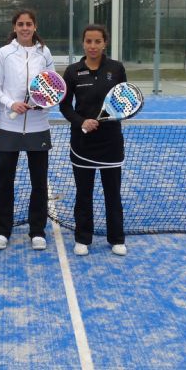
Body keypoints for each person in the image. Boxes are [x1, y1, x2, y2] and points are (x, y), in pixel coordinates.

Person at [59, 24, 128, 256]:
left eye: (97, 41)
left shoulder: (117, 69)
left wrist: (116, 114)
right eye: (89, 41)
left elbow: (124, 100)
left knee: (112, 193)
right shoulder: (72, 71)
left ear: (104, 43)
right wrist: (81, 122)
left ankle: (117, 239)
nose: (93, 46)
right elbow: (65, 105)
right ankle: (83, 238)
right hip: (82, 143)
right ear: (83, 43)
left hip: (111, 142)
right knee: (83, 193)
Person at [0, 9, 55, 251]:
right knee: (5, 181)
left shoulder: (44, 53)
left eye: (29, 24)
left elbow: (52, 85)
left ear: (35, 26)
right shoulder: (4, 53)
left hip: (39, 126)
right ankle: (2, 231)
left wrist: (43, 101)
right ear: (14, 27)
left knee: (39, 183)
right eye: (21, 24)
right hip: (9, 125)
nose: (25, 28)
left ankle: (37, 231)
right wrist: (11, 104)